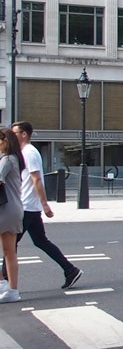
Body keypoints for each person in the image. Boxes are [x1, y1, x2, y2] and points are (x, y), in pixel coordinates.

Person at [2, 122, 82, 292]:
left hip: (27, 205)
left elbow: (36, 179)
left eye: (14, 132)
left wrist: (44, 204)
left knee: (10, 245)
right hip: (28, 205)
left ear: (24, 134)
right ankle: (70, 270)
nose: (11, 135)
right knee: (40, 241)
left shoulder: (29, 153)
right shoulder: (22, 153)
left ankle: (6, 284)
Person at [0, 127, 25, 303]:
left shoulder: (7, 160)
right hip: (13, 208)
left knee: (9, 252)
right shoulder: (15, 159)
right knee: (10, 252)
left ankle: (5, 286)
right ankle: (11, 289)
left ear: (5, 142)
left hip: (5, 209)